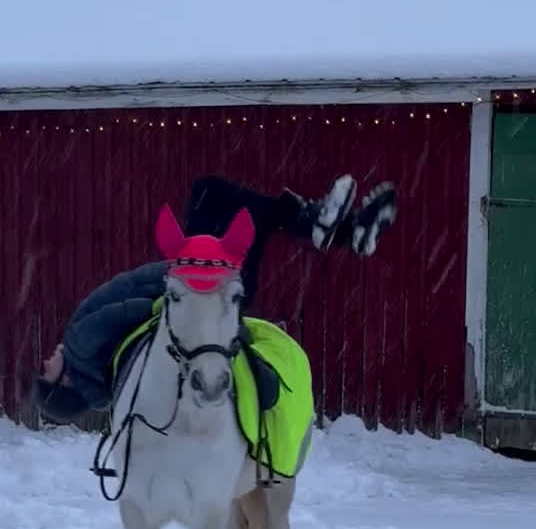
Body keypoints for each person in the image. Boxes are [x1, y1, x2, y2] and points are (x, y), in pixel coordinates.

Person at [32, 170, 398, 424]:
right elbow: (135, 308)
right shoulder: (79, 344)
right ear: (63, 382)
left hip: (214, 296)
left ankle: (335, 229)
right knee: (213, 192)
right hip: (198, 276)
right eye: (46, 372)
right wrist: (177, 284)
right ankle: (323, 226)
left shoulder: (114, 387)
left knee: (228, 201)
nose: (46, 361)